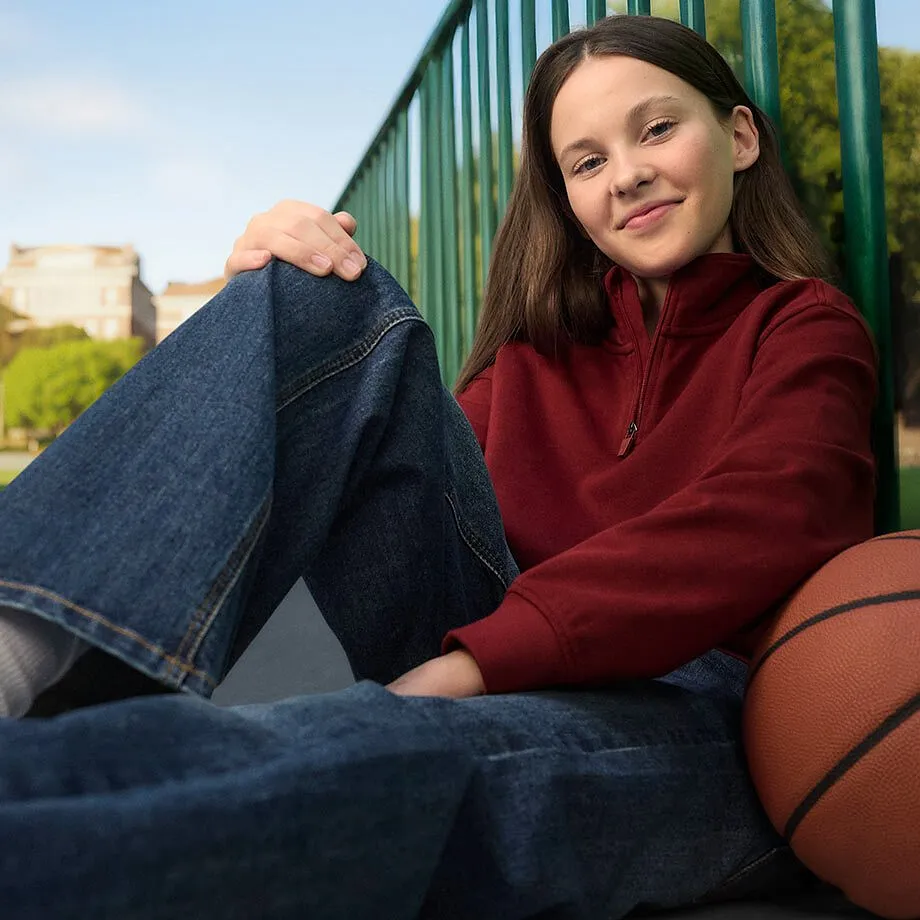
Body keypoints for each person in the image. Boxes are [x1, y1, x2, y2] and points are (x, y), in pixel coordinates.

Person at [0, 14, 876, 920]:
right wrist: (273, 312)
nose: (627, 174)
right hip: (488, 641)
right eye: (585, 162)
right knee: (317, 285)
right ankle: (16, 657)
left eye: (656, 129)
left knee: (373, 753)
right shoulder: (538, 353)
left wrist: (471, 670)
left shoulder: (804, 329)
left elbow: (769, 516)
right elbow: (393, 468)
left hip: (697, 712)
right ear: (567, 198)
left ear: (738, 136)